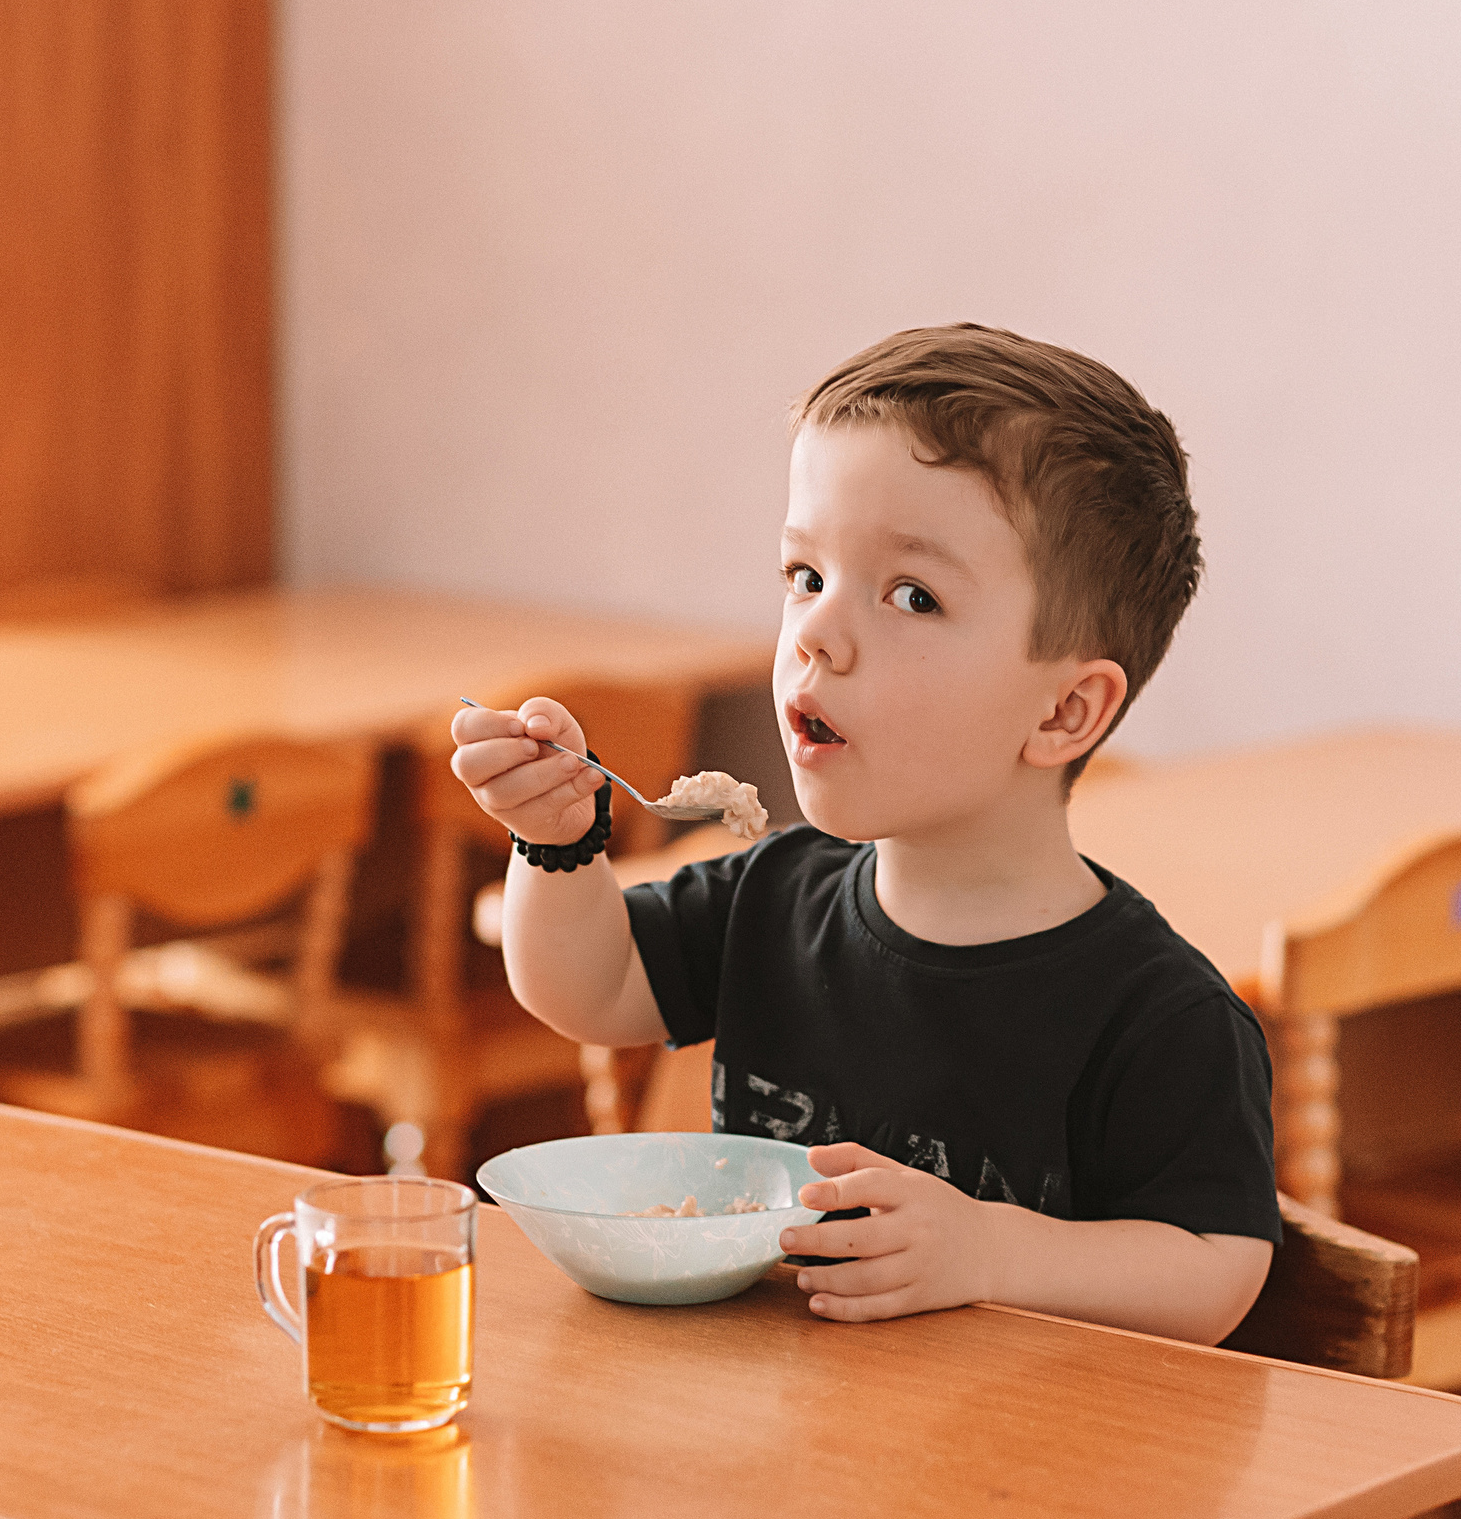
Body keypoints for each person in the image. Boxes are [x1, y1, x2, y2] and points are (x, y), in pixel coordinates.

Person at [448, 324, 1276, 1342]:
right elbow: (587, 984)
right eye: (804, 574)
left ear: (1062, 713)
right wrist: (559, 845)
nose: (818, 634)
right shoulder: (773, 896)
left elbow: (1217, 1268)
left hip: (1014, 1477)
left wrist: (987, 1250)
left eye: (911, 596)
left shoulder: (1157, 1017)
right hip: (789, 1452)